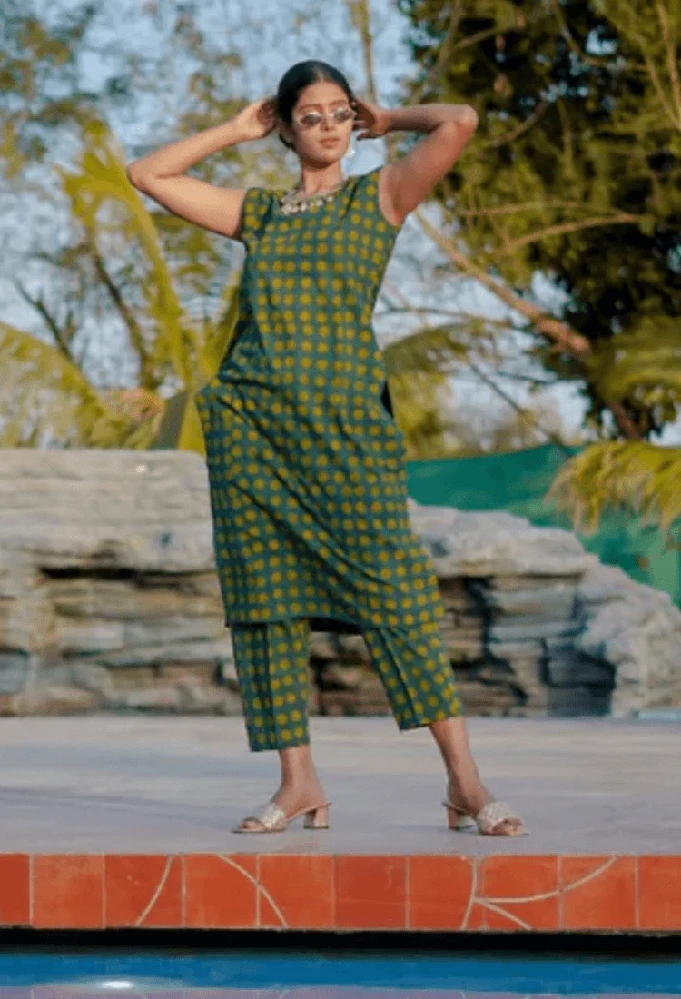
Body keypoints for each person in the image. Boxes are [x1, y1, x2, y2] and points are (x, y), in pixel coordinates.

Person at [127, 60, 527, 837]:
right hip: (253, 433)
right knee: (265, 605)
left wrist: (389, 118)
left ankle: (464, 781)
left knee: (397, 595)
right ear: (285, 128)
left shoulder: (377, 196)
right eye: (309, 116)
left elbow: (461, 120)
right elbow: (147, 173)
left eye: (338, 111)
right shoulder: (260, 213)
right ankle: (298, 781)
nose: (328, 125)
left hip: (347, 432)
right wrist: (235, 129)